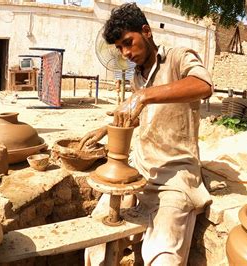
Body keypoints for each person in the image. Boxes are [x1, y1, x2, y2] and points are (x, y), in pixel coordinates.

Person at [81, 3, 213, 265]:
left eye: (129, 43)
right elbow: (143, 117)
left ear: (146, 31)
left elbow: (204, 84)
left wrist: (144, 95)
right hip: (138, 170)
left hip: (174, 176)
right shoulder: (137, 76)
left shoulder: (178, 58)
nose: (126, 53)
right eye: (119, 48)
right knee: (96, 239)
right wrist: (106, 130)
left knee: (163, 256)